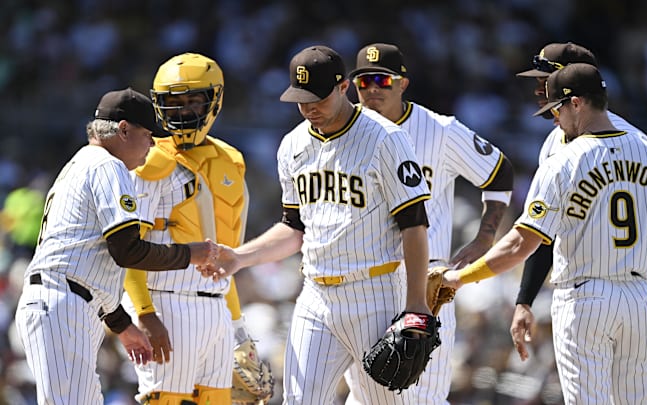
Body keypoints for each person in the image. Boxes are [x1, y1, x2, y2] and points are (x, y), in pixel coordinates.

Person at [198, 45, 433, 404]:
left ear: (343, 88)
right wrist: (240, 258)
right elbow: (293, 229)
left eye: (318, 98)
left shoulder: (386, 138)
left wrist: (416, 303)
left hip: (375, 293)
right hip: (316, 296)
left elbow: (414, 225)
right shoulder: (292, 146)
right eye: (301, 99)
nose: (309, 108)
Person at [442, 63, 647, 404]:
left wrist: (460, 278)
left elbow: (519, 244)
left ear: (577, 103)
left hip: (583, 298)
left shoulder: (564, 161)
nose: (554, 117)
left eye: (556, 107)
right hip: (638, 300)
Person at [14, 87, 218, 405]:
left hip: (65, 301)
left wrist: (122, 326)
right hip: (63, 303)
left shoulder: (83, 162)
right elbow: (127, 250)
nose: (152, 144)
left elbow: (88, 259)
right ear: (123, 130)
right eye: (148, 134)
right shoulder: (108, 166)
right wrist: (191, 254)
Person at [343, 43, 514, 404]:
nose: (372, 89)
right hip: (363, 280)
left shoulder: (439, 130)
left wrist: (485, 238)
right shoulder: (343, 133)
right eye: (363, 81)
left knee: (426, 396)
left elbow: (499, 172)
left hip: (426, 282)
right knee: (364, 398)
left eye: (381, 80)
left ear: (403, 83)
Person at [121, 53, 271, 405]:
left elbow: (226, 255)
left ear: (214, 100)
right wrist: (144, 313)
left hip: (216, 306)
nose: (182, 111)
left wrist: (236, 326)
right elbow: (127, 250)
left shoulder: (230, 160)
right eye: (173, 102)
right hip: (166, 302)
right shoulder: (149, 160)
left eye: (192, 101)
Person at [511, 42, 647, 360]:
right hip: (589, 292)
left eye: (545, 80)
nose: (539, 89)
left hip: (623, 291)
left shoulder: (633, 144)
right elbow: (545, 230)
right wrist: (525, 299)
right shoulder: (554, 142)